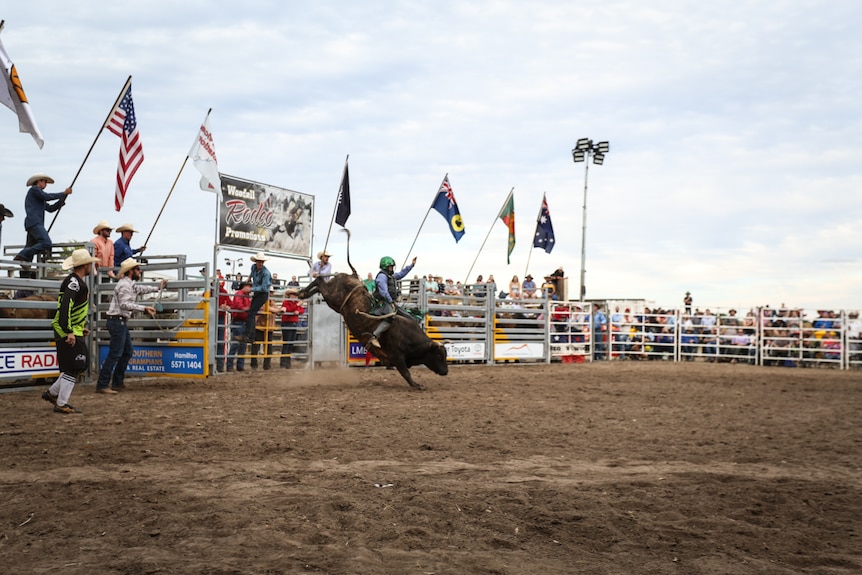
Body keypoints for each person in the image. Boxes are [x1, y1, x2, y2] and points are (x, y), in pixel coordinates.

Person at [95, 258, 168, 393]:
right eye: (137, 269)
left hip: (118, 321)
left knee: (126, 352)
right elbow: (124, 304)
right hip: (117, 321)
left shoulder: (129, 284)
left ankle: (116, 382)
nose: (139, 271)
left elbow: (140, 289)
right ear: (131, 271)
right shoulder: (124, 285)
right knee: (116, 353)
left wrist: (158, 288)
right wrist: (144, 308)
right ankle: (103, 384)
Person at [41, 248, 98, 414]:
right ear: (85, 265)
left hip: (71, 328)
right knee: (76, 364)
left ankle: (52, 394)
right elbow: (66, 305)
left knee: (77, 363)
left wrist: (79, 327)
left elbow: (69, 308)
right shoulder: (75, 283)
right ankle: (61, 402)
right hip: (66, 329)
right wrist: (69, 331)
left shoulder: (74, 281)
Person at [15, 173, 72, 264]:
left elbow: (50, 208)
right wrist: (63, 193)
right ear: (39, 181)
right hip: (35, 223)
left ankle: (25, 270)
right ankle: (22, 254)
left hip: (32, 223)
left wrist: (61, 200)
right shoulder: (34, 190)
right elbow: (47, 196)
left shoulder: (38, 196)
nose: (46, 184)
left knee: (30, 247)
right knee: (46, 243)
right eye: (44, 182)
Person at [366, 255, 416, 349]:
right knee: (391, 317)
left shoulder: (390, 276)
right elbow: (383, 292)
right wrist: (390, 301)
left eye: (392, 266)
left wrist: (411, 265)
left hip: (389, 302)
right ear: (385, 267)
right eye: (390, 266)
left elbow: (401, 274)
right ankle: (374, 336)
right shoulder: (382, 277)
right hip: (381, 304)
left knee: (407, 315)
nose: (392, 268)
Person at [242, 252, 272, 342]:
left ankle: (249, 336)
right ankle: (251, 336)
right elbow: (252, 273)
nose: (260, 263)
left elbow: (264, 288)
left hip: (263, 294)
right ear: (256, 261)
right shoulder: (253, 267)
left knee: (251, 313)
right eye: (259, 261)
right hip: (257, 293)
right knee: (252, 313)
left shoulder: (266, 273)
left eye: (262, 262)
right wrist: (249, 278)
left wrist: (251, 289)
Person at [227, 280, 252, 372]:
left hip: (242, 321)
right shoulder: (240, 294)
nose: (250, 288)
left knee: (242, 345)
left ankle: (237, 365)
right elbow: (238, 305)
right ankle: (232, 365)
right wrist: (245, 308)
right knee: (236, 344)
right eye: (249, 286)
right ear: (244, 287)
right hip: (239, 321)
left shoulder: (245, 295)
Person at [280, 288, 305, 368]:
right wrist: (297, 307)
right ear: (289, 295)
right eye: (292, 294)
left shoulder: (292, 303)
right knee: (287, 343)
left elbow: (301, 310)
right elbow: (289, 309)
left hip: (293, 323)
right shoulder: (286, 302)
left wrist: (298, 310)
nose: (294, 296)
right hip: (287, 323)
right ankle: (284, 363)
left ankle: (286, 362)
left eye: (295, 295)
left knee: (290, 344)